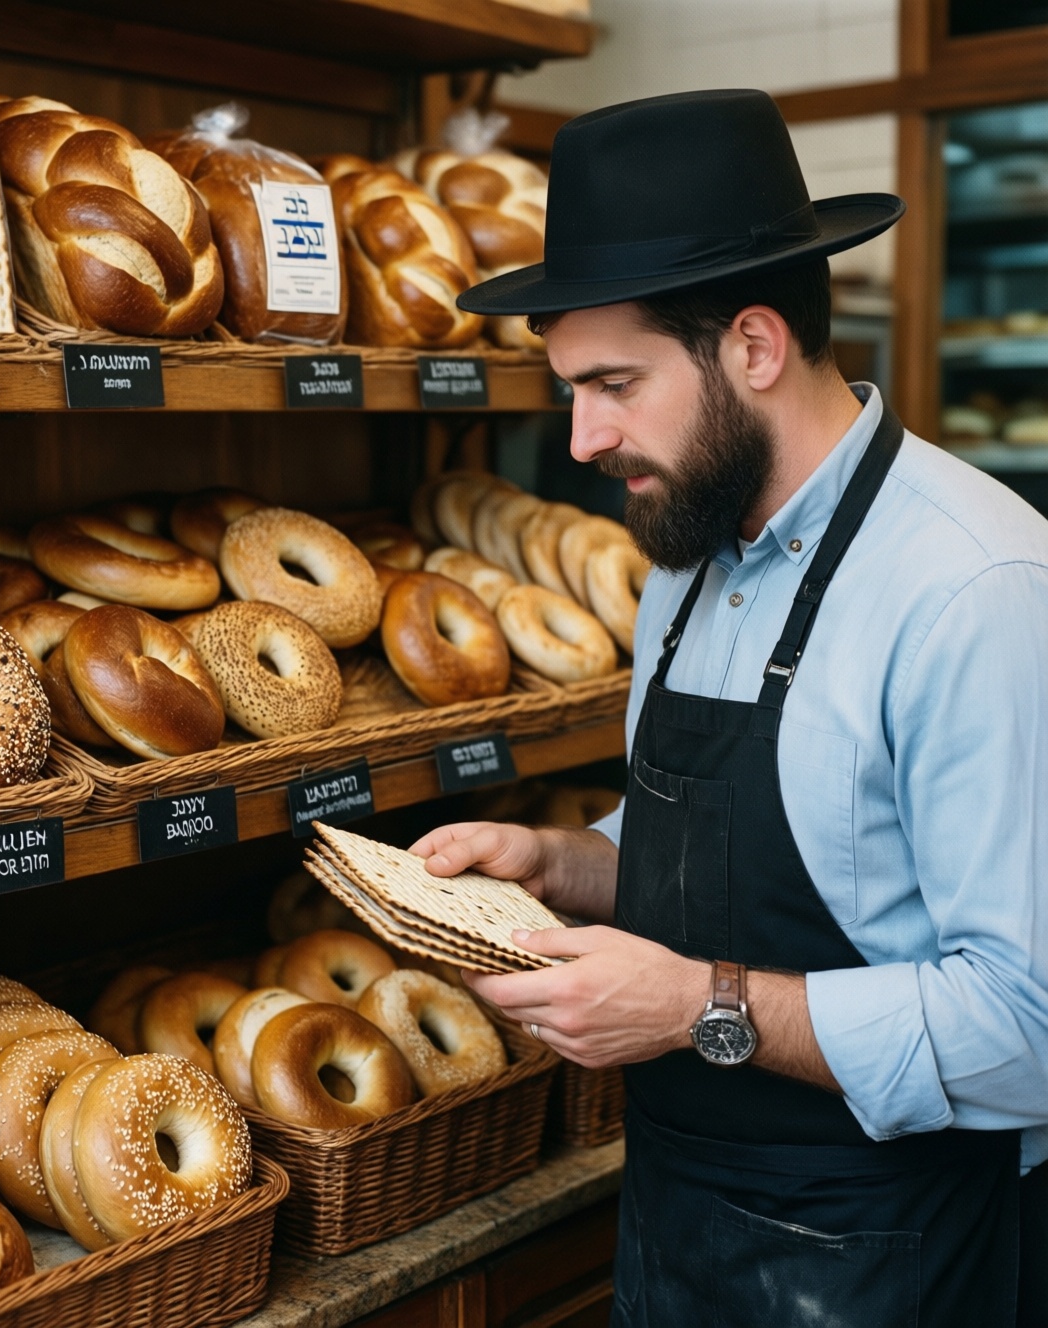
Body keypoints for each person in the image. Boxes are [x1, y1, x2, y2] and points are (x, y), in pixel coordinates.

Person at [410, 89, 1048, 1326]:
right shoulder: (687, 561)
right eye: (569, 389)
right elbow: (762, 851)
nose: (582, 436)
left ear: (752, 346)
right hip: (680, 1228)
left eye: (613, 384)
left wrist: (697, 1007)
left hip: (897, 1252)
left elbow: (1027, 1023)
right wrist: (567, 861)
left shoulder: (974, 588)